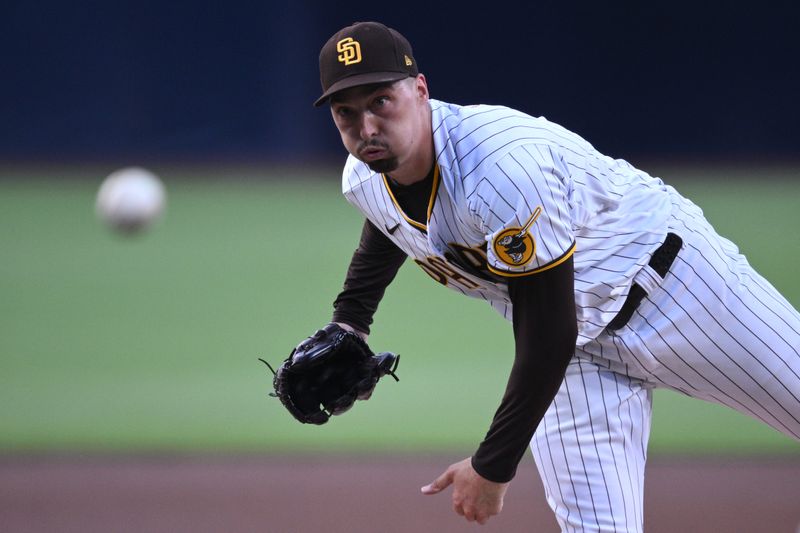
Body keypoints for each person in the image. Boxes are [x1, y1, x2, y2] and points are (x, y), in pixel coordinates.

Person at [312, 21, 800, 531]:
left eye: (380, 102)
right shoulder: (363, 174)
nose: (366, 127)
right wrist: (350, 321)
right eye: (347, 112)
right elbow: (389, 221)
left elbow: (548, 331)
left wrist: (492, 465)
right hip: (577, 359)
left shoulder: (499, 167)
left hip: (680, 289)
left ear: (420, 90)